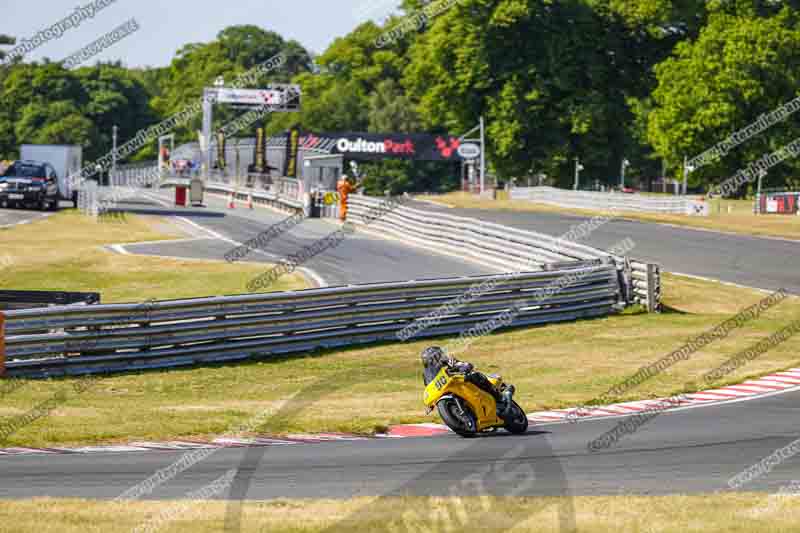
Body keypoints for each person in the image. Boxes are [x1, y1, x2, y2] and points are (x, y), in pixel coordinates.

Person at [420, 346, 515, 418]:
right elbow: (430, 387)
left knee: (474, 375)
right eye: (432, 358)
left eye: (436, 356)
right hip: (447, 391)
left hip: (461, 382)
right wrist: (431, 404)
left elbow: (465, 365)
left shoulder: (449, 361)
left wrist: (463, 367)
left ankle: (500, 397)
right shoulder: (426, 374)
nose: (434, 360)